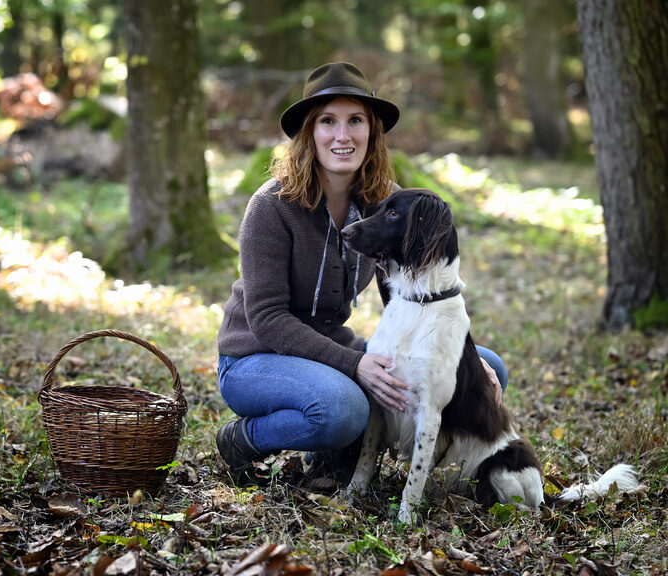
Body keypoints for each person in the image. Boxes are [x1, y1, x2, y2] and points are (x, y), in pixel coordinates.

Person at [215, 62, 506, 485]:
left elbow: (412, 297)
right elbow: (267, 319)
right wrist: (356, 364)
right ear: (309, 133)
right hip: (255, 358)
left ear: (372, 131)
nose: (342, 135)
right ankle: (243, 439)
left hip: (329, 349)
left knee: (483, 369)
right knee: (343, 409)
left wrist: (461, 350)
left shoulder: (384, 204)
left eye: (355, 121)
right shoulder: (272, 206)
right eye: (328, 122)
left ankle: (339, 454)